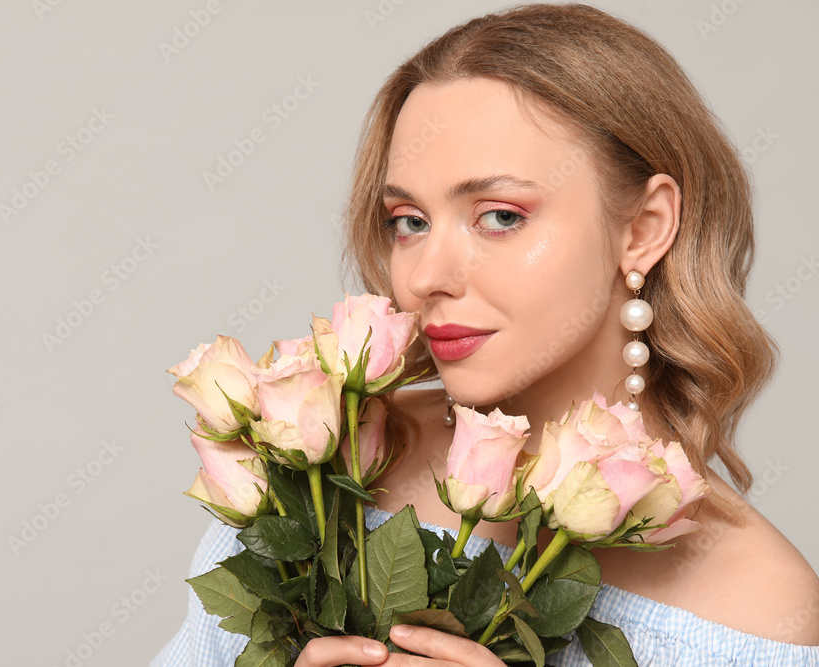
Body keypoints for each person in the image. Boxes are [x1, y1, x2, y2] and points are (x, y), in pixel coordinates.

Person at [153, 4, 819, 665]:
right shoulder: (324, 469)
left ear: (643, 228)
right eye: (409, 221)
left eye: (500, 215)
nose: (428, 276)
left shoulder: (759, 608)